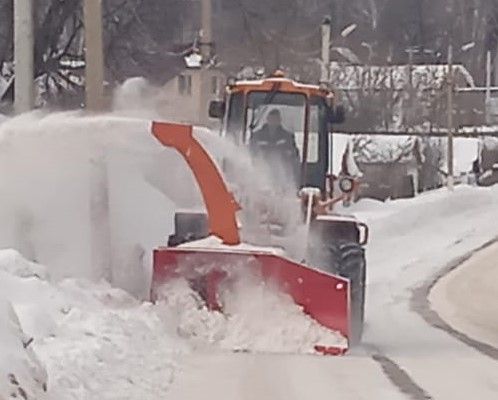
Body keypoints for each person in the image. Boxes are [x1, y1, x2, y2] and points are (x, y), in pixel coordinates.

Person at [250, 109, 300, 189]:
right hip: (261, 173)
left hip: (282, 174)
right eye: (271, 119)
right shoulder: (257, 135)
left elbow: (294, 155)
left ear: (279, 120)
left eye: (276, 119)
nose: (273, 122)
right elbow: (251, 153)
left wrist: (285, 155)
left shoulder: (287, 136)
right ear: (267, 119)